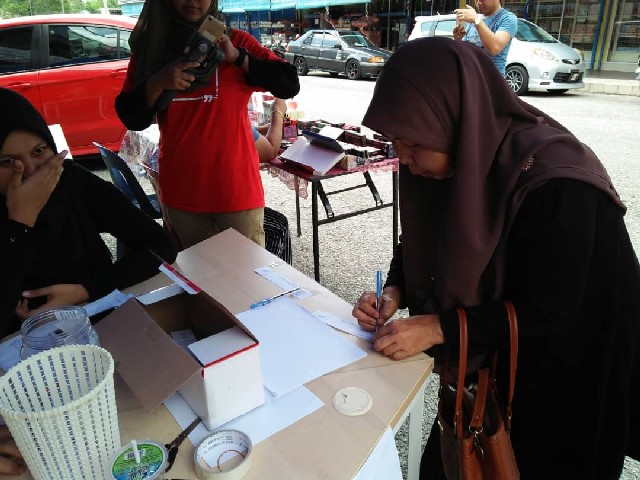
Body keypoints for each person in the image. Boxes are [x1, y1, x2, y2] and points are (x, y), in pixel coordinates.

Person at [352, 38, 640, 479]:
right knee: (468, 458)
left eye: (411, 144)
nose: (404, 160)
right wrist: (395, 289)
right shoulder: (459, 155)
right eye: (395, 143)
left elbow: (551, 308)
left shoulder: (558, 180)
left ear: (454, 118)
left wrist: (437, 327)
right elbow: (423, 241)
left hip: (569, 366)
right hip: (493, 366)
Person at [115, 0, 300, 251]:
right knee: (196, 275)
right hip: (182, 196)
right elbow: (131, 118)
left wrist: (238, 58)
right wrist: (158, 82)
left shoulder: (235, 42)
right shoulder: (152, 50)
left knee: (246, 275)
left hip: (236, 193)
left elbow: (289, 84)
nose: (193, 1)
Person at [0, 88, 178, 336]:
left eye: (39, 151)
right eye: (8, 161)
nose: (30, 171)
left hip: (99, 322)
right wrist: (20, 223)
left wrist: (84, 290)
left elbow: (160, 245)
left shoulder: (71, 180)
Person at [453, 0, 517, 75]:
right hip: (471, 76)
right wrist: (458, 40)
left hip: (490, 79)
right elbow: (466, 52)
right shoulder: (475, 19)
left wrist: (477, 20)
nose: (479, 3)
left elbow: (494, 48)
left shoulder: (507, 18)